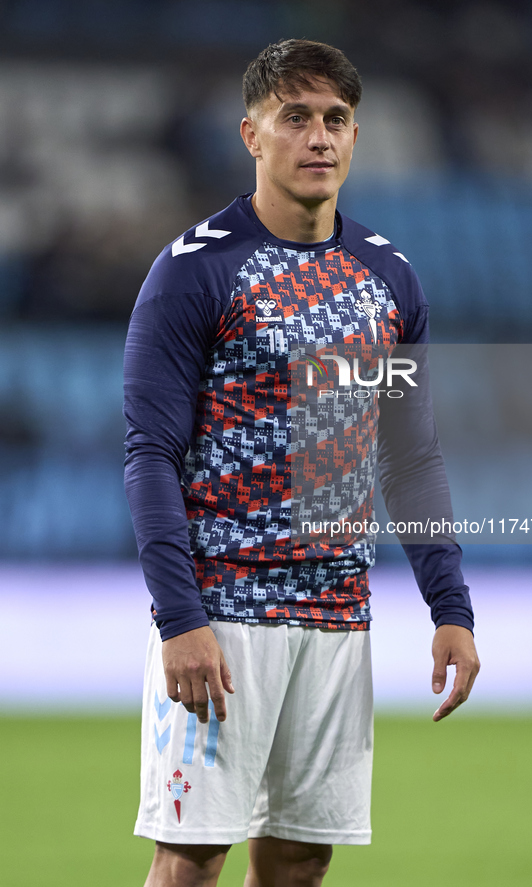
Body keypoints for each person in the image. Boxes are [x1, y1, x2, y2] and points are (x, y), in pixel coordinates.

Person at [124, 38, 480, 887]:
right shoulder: (194, 271)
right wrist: (180, 618)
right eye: (296, 118)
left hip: (335, 613)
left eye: (336, 119)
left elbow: (408, 455)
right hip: (224, 611)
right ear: (251, 134)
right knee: (192, 857)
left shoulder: (386, 276)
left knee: (297, 862)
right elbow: (150, 454)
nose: (318, 137)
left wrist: (450, 605)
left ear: (355, 136)